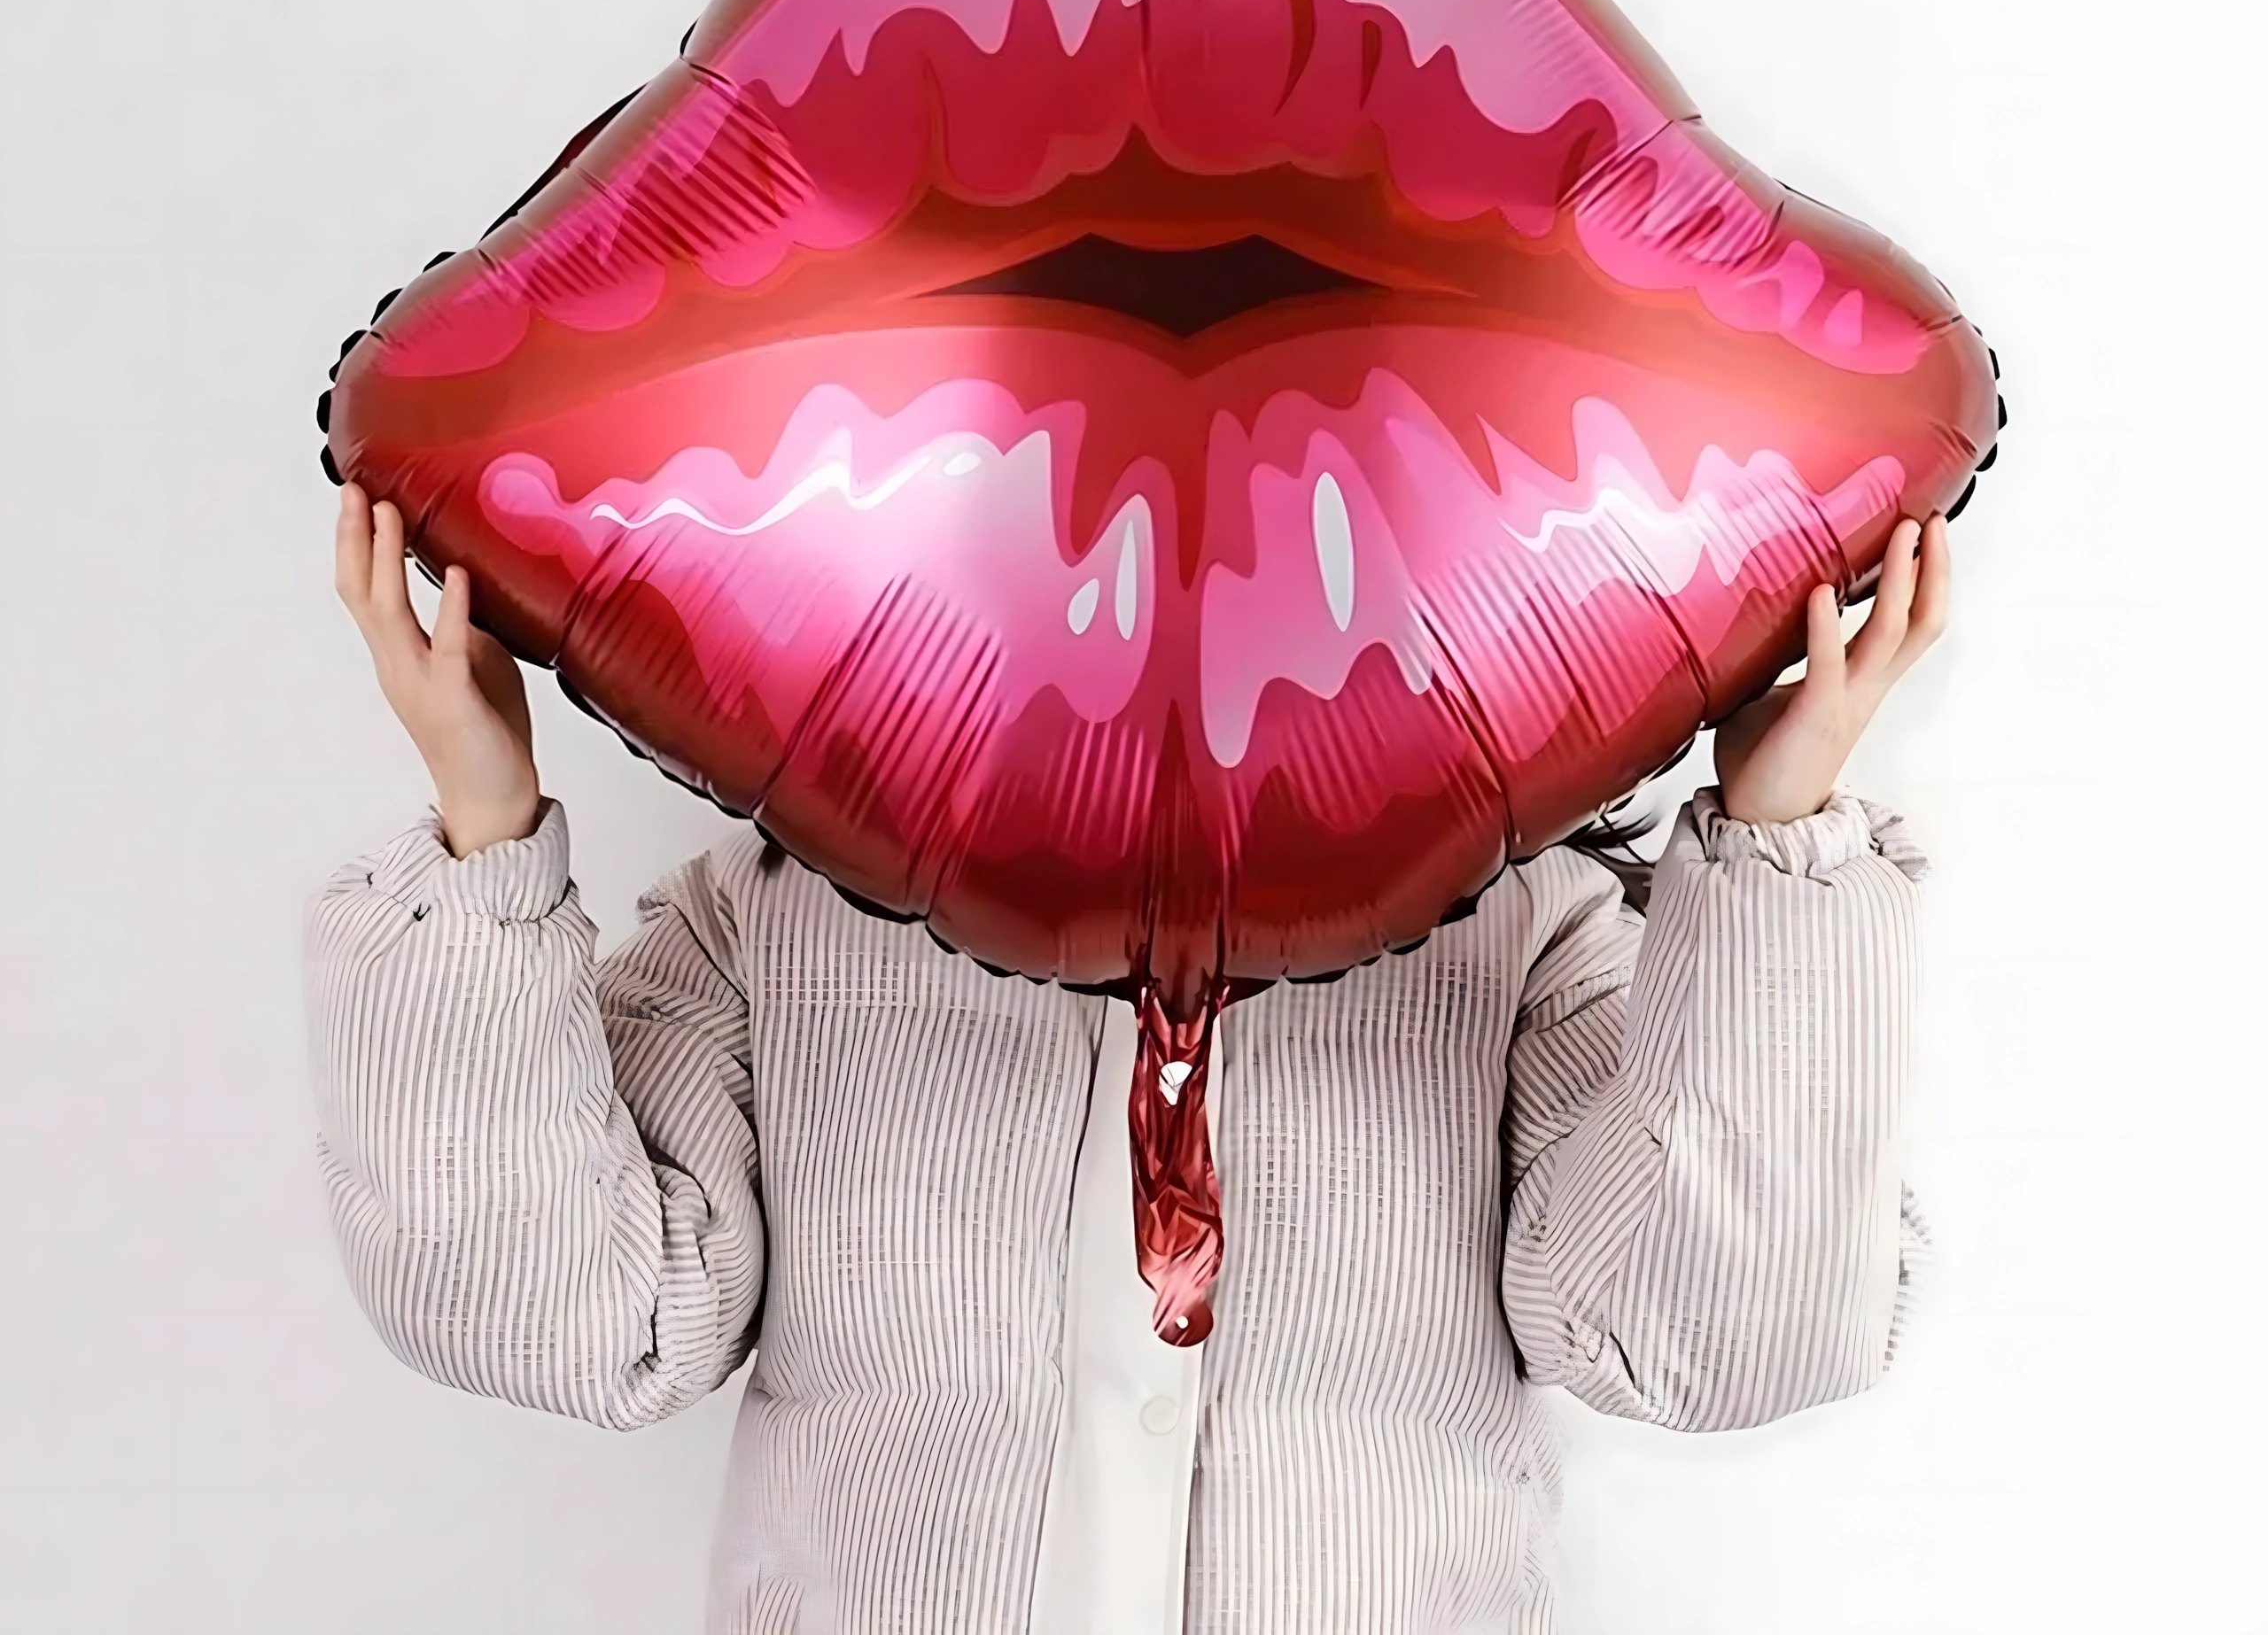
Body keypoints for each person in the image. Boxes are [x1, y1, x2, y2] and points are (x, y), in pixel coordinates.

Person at [310, 479, 1949, 1635]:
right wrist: (485, 815)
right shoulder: (779, 920)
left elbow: (1713, 1334)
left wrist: (1778, 833)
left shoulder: (1515, 931)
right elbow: (576, 1317)